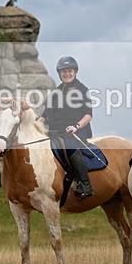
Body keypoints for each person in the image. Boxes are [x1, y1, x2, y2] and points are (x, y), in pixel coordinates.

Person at [38, 56, 94, 199]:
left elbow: (88, 115)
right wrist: (37, 124)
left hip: (75, 132)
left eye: (69, 71)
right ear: (59, 73)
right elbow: (45, 114)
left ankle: (86, 185)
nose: (66, 74)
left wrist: (76, 126)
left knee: (70, 147)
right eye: (63, 71)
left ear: (75, 72)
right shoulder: (55, 92)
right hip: (55, 133)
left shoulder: (82, 89)